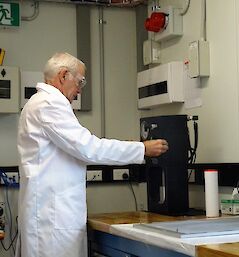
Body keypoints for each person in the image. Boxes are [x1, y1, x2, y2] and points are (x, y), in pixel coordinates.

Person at [16, 52, 168, 257]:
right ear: (63, 76)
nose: (79, 90)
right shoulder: (49, 104)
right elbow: (89, 148)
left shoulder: (40, 103)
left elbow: (81, 147)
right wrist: (142, 149)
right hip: (51, 220)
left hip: (50, 215)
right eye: (80, 82)